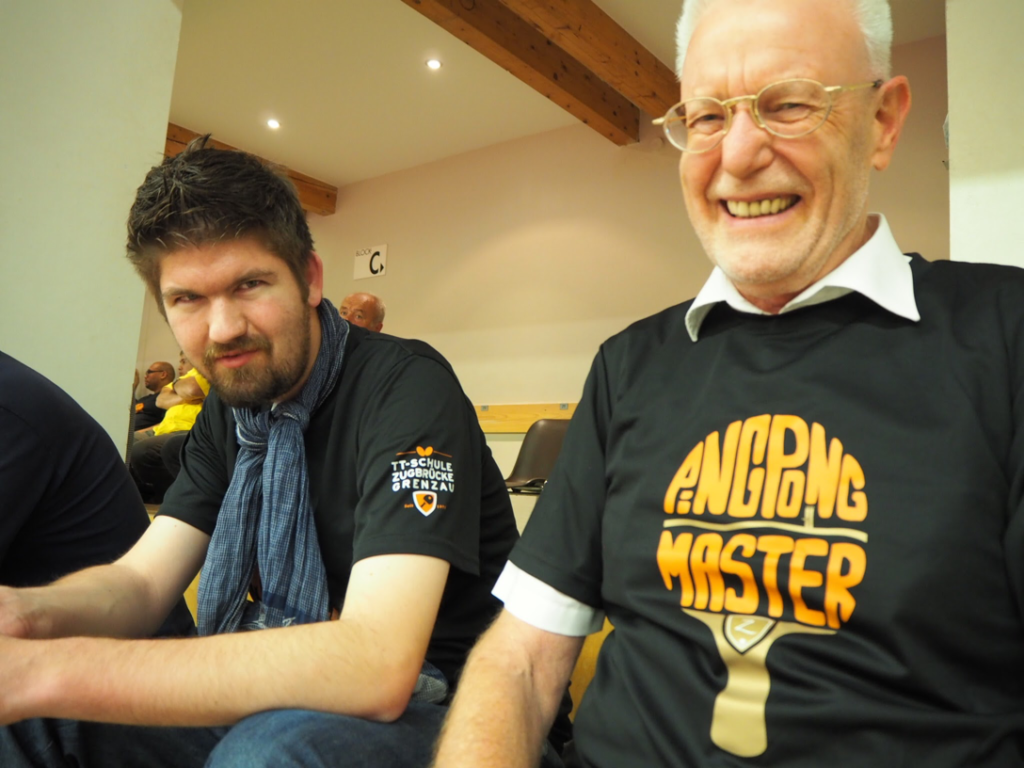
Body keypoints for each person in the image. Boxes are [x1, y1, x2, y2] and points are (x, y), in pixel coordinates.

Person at [433, 1, 1024, 766]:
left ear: (882, 122)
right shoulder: (627, 367)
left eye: (790, 104)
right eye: (708, 116)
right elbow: (520, 658)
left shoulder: (1004, 340)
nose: (738, 155)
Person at [0, 136, 519, 768]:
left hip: (456, 709)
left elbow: (378, 663)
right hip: (295, 698)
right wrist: (25, 613)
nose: (223, 330)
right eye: (187, 299)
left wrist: (49, 670)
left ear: (310, 279)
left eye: (249, 284)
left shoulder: (406, 386)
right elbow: (140, 582)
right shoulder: (234, 409)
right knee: (36, 722)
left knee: (265, 754)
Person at [0, 351, 194, 630]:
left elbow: (187, 392)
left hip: (120, 647)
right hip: (80, 627)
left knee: (151, 450)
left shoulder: (10, 408)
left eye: (153, 371)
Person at [129, 353, 210, 502]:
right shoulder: (186, 378)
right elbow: (161, 401)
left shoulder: (206, 371)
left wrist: (175, 388)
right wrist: (181, 390)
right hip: (161, 430)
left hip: (187, 428)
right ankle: (136, 496)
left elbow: (191, 390)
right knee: (124, 442)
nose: (179, 366)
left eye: (184, 361)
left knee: (142, 450)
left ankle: (167, 497)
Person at [133, 360, 175, 430]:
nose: (145, 376)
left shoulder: (169, 399)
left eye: (149, 372)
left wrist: (139, 433)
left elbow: (166, 423)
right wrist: (133, 388)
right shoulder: (145, 399)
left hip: (141, 434)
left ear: (163, 375)